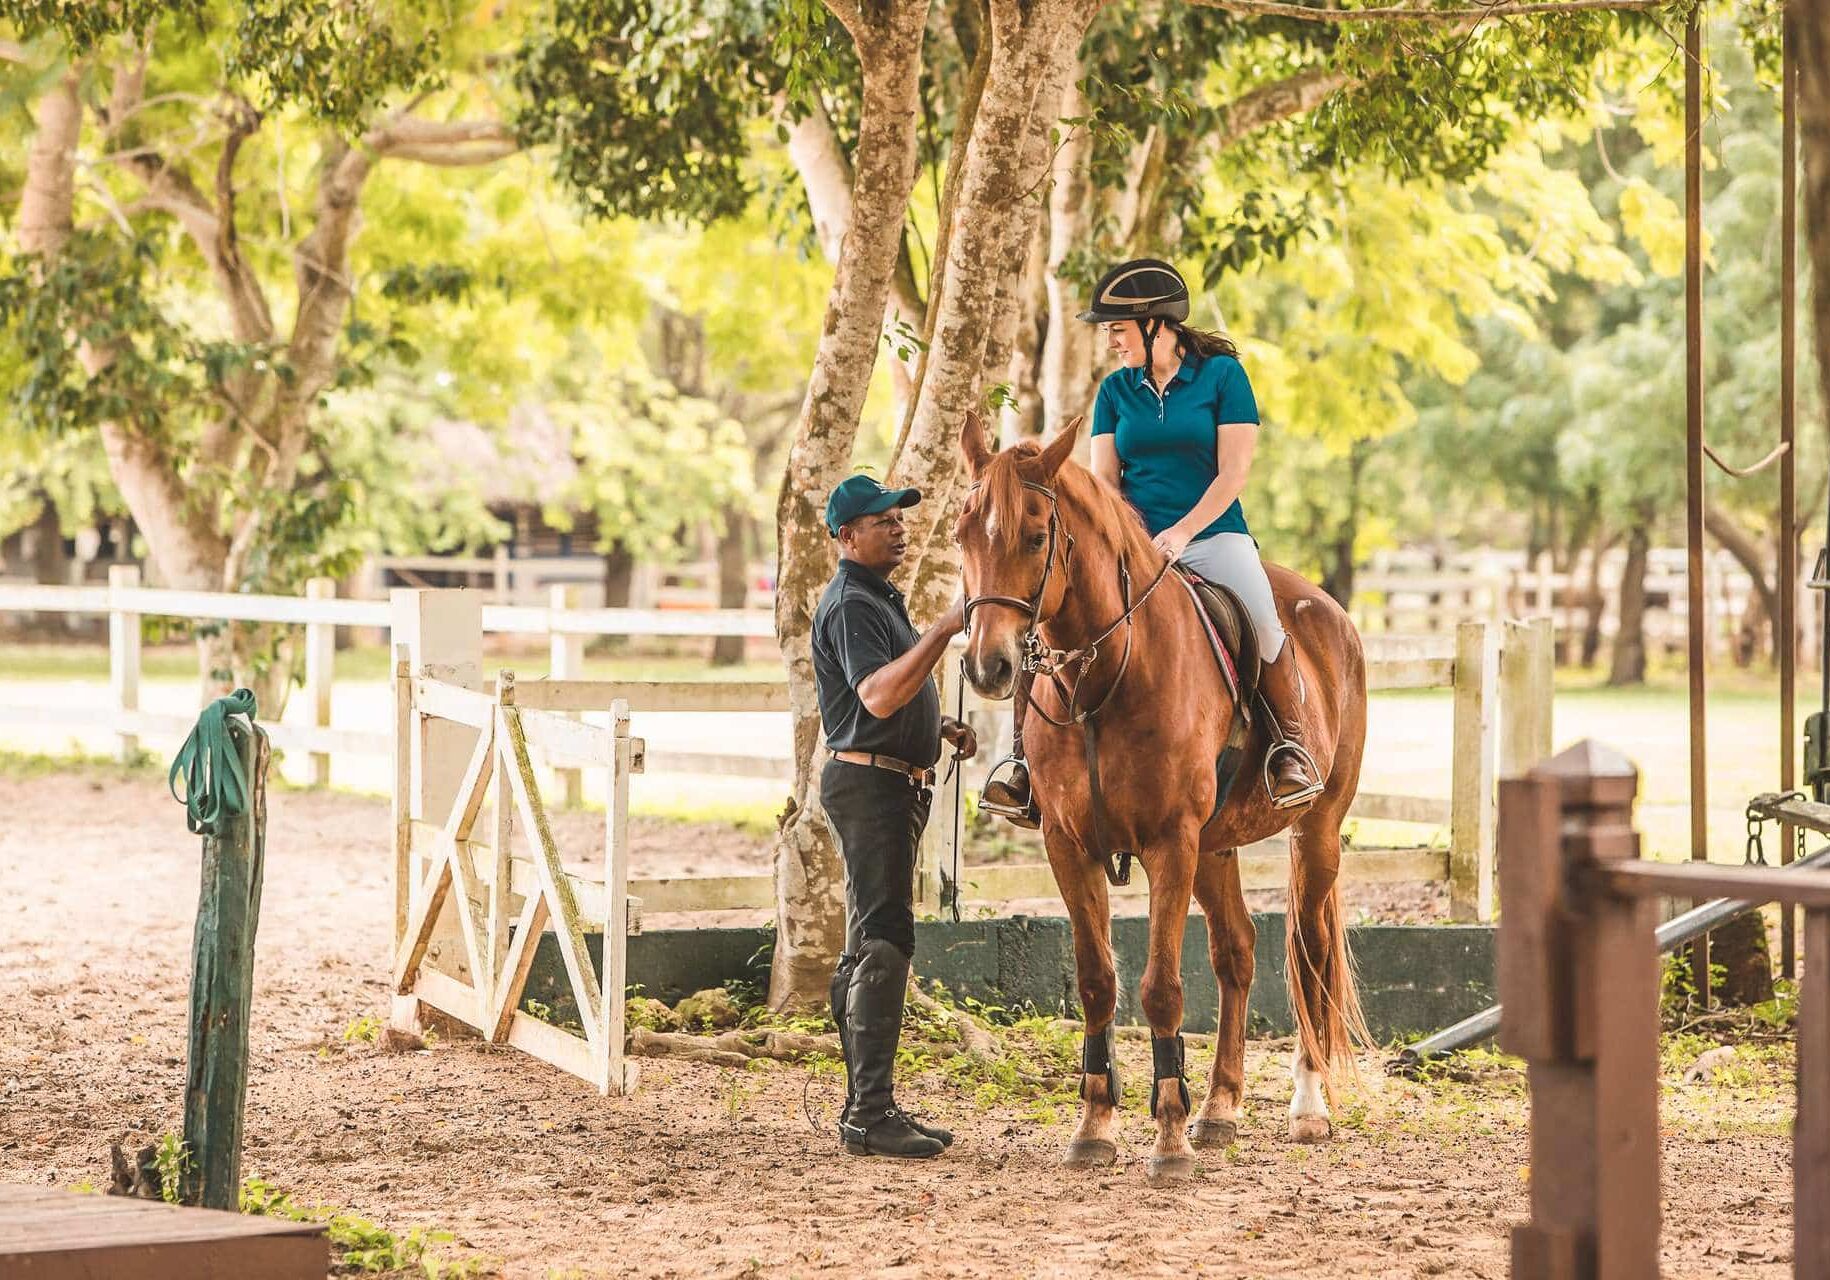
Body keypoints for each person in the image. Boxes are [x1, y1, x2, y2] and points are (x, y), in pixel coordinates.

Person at [981, 258, 1320, 817]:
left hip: (1213, 536)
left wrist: (1183, 532)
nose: (1111, 342)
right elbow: (1106, 482)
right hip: (1133, 544)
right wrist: (1124, 539)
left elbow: (1232, 473)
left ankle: (1289, 746)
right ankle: (1019, 762)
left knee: (1262, 615)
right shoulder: (1116, 391)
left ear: (1157, 326)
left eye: (1117, 329)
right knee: (1046, 620)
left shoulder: (1223, 378)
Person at [812, 474, 978, 1159]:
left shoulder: (877, 599)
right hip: (871, 789)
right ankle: (869, 1115)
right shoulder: (852, 602)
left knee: (870, 943)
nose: (899, 527)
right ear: (847, 536)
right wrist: (945, 627)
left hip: (890, 784)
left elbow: (878, 698)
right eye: (882, 520)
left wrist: (934, 726)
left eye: (900, 517)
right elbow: (877, 697)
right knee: (884, 941)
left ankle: (866, 1107)